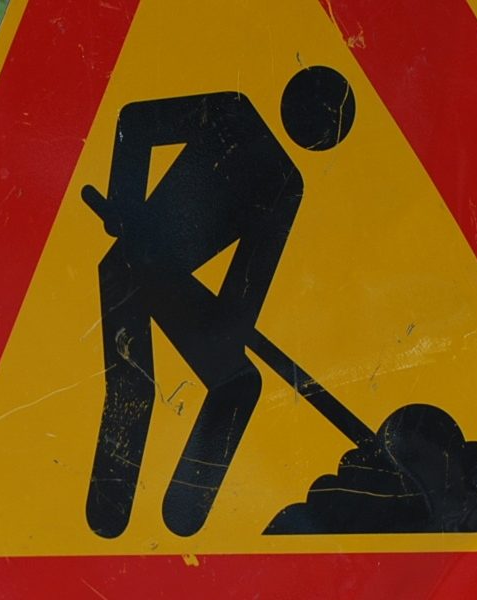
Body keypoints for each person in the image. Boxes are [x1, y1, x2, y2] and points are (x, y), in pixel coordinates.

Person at [80, 66, 356, 538]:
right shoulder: (231, 112)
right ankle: (109, 514)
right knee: (136, 386)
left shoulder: (287, 183)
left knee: (235, 382)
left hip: (160, 277)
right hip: (128, 264)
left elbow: (250, 277)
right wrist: (125, 200)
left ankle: (181, 515)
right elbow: (135, 122)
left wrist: (228, 328)